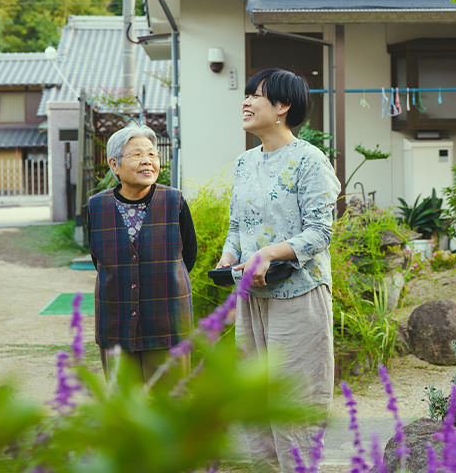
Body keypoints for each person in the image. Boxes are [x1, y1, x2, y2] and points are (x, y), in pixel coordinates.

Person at [217, 68, 341, 473]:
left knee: (295, 402)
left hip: (299, 295)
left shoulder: (310, 160)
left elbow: (321, 231)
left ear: (283, 107)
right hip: (253, 297)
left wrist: (270, 252)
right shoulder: (244, 162)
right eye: (247, 94)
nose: (247, 101)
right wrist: (227, 257)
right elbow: (237, 226)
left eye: (257, 95)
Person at [87, 123, 196, 386]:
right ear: (115, 165)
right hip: (115, 319)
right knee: (124, 407)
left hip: (167, 321)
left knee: (170, 403)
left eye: (152, 155)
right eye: (137, 155)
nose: (147, 161)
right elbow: (99, 260)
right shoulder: (96, 206)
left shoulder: (174, 202)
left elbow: (187, 257)